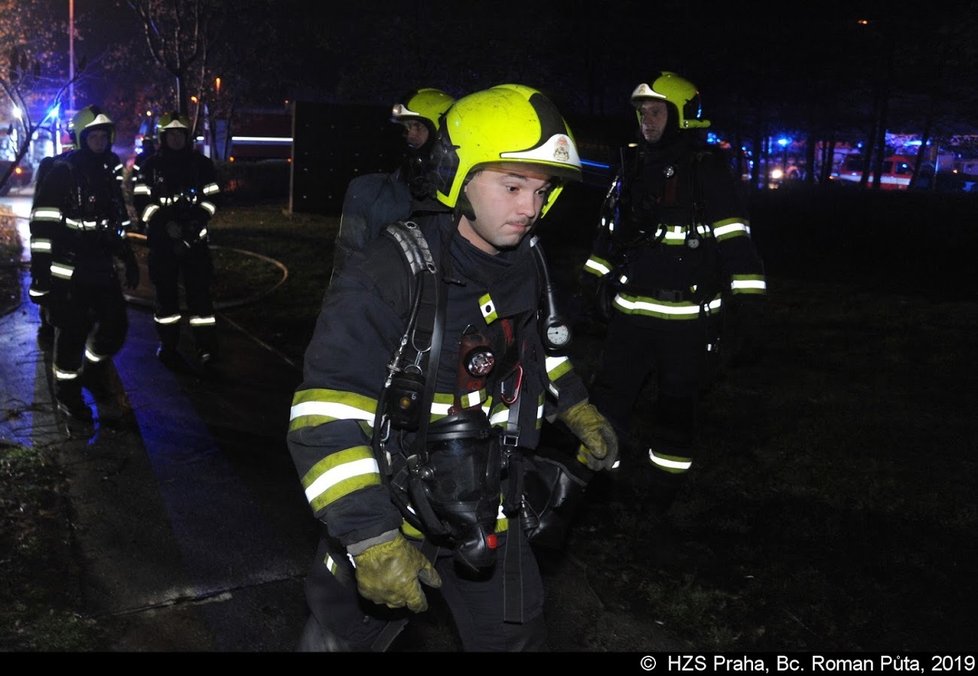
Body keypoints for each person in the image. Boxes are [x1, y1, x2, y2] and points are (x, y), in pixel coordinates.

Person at [288, 84, 618, 652]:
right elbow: (324, 416)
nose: (530, 209)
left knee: (518, 639)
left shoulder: (526, 267)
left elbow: (538, 356)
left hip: (490, 509)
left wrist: (576, 404)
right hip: (391, 509)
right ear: (455, 175)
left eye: (541, 191)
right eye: (513, 186)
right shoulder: (392, 271)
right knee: (337, 643)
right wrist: (370, 539)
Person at [580, 71, 767, 513]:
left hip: (688, 321)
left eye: (656, 111)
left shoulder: (709, 170)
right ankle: (593, 487)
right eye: (642, 112)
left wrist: (750, 311)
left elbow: (736, 242)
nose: (646, 120)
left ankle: (662, 497)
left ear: (683, 116)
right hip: (629, 317)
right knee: (606, 404)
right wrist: (591, 283)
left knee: (677, 410)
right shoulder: (633, 166)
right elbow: (610, 235)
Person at [28, 105, 140, 424]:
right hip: (69, 272)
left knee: (115, 328)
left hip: (102, 268)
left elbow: (115, 223)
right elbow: (42, 227)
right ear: (80, 138)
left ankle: (92, 371)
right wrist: (41, 279)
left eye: (104, 135)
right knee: (72, 336)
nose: (100, 141)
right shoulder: (62, 172)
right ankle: (68, 394)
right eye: (93, 135)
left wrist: (128, 258)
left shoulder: (107, 174)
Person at [330, 88, 454, 281]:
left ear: (441, 136)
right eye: (406, 129)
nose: (409, 136)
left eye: (417, 127)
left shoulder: (461, 195)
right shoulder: (371, 192)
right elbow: (348, 263)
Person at [132, 112, 221, 369]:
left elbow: (213, 199)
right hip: (163, 246)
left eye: (180, 133)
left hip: (195, 244)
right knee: (166, 300)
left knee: (200, 299)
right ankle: (168, 347)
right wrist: (162, 224)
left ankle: (206, 349)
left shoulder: (202, 165)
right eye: (170, 134)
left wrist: (195, 223)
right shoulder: (150, 167)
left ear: (187, 136)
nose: (175, 138)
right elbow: (142, 202)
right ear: (163, 137)